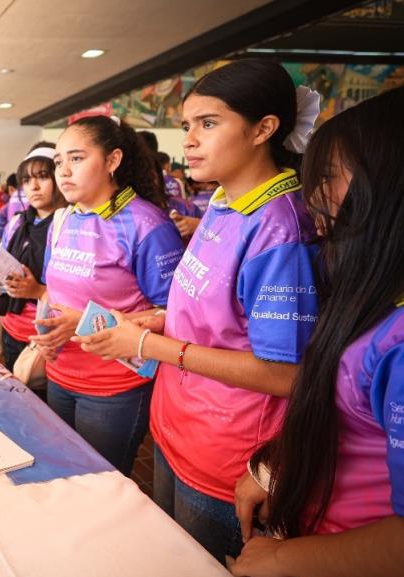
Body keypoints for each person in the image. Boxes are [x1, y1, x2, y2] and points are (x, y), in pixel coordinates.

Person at [73, 60, 321, 562]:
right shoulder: (224, 204)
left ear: (264, 129)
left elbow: (285, 374)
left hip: (225, 452)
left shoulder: (281, 229)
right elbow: (225, 315)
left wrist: (148, 345)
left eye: (209, 124)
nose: (189, 139)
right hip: (177, 428)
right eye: (188, 125)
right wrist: (160, 320)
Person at [229, 86, 404, 577]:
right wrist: (275, 464)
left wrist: (285, 558)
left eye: (329, 177)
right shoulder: (365, 291)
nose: (314, 200)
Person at [28, 116, 183, 476]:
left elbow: (173, 314)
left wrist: (80, 324)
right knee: (63, 475)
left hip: (114, 387)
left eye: (77, 159)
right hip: (60, 373)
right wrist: (48, 333)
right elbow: (55, 290)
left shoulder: (146, 224)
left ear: (112, 161)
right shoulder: (62, 221)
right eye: (58, 162)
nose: (63, 172)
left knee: (101, 486)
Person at [0, 144, 65, 371]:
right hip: (10, 326)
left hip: (45, 339)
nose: (34, 186)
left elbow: (75, 290)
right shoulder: (17, 222)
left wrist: (36, 290)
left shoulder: (68, 225)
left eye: (42, 177)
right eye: (27, 180)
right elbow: (2, 265)